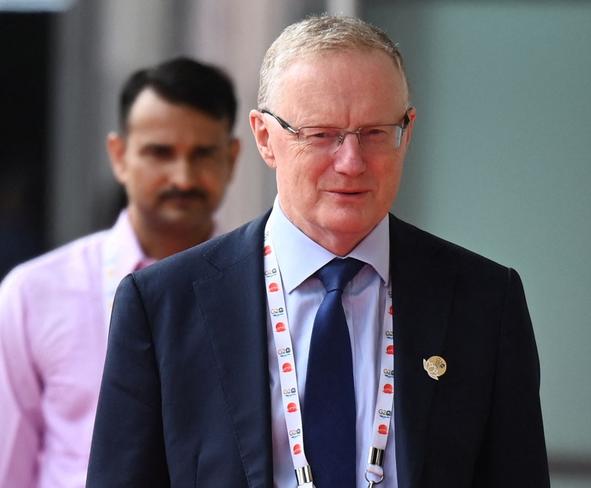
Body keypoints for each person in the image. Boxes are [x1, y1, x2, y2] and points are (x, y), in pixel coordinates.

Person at [87, 16, 549, 488]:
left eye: (374, 133)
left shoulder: (485, 301)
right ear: (265, 138)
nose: (350, 163)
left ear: (407, 132)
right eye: (321, 134)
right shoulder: (163, 305)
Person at [0, 56, 240, 487]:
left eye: (203, 154)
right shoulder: (33, 295)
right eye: (160, 153)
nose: (182, 177)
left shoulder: (265, 289)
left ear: (233, 158)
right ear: (119, 155)